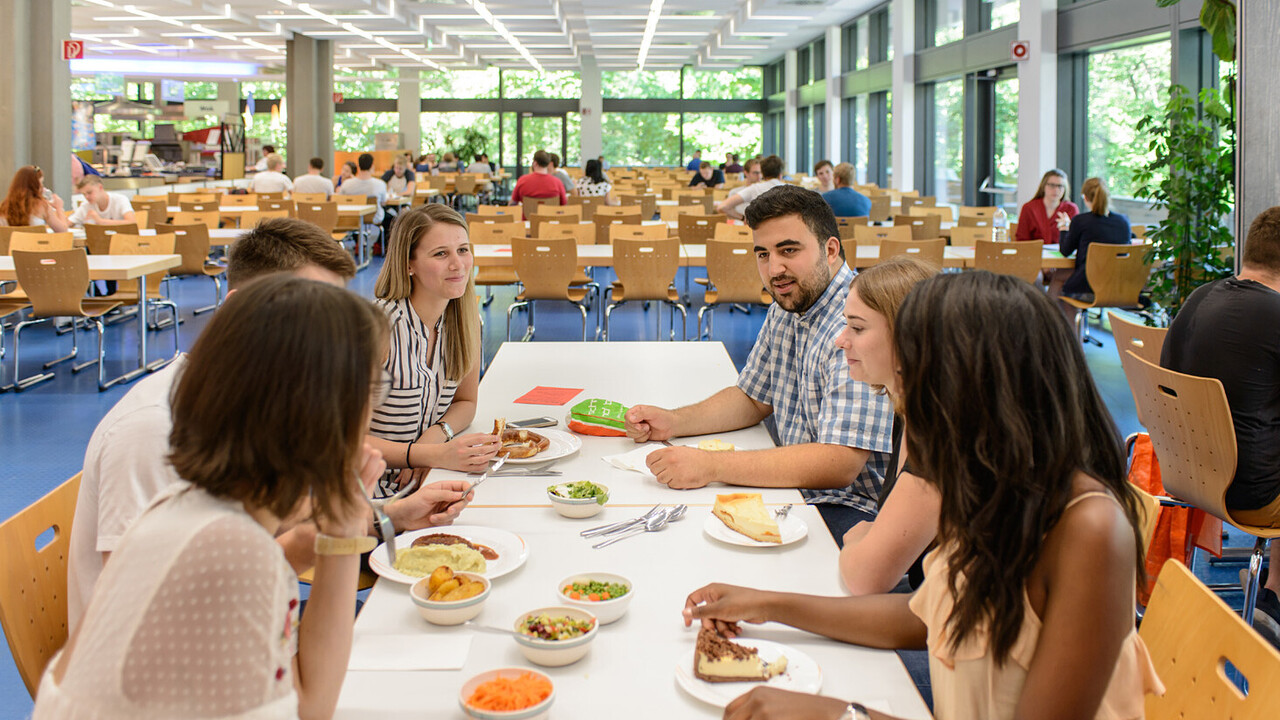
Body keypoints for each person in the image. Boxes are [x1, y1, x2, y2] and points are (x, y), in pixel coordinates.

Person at [686, 271, 1162, 720]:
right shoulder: (987, 479)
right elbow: (926, 614)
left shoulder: (1090, 529)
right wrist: (768, 604)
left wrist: (843, 713)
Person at [67, 217, 475, 632]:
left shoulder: (260, 407)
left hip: (253, 626)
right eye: (304, 316)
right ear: (236, 309)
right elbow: (146, 623)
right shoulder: (154, 432)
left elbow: (281, 531)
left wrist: (393, 517)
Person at [38, 275, 389, 720]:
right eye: (369, 395)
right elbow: (311, 710)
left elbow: (311, 703)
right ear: (318, 418)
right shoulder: (237, 555)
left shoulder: (189, 509)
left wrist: (343, 525)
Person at [626, 185, 893, 541]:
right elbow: (752, 398)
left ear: (830, 250)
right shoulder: (788, 305)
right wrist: (674, 422)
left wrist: (711, 466)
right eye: (763, 254)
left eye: (788, 250)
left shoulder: (857, 321)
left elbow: (840, 461)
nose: (774, 268)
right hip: (797, 492)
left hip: (852, 509)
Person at [1162, 206, 1280, 643]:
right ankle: (1273, 598)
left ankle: (1271, 593)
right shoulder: (1275, 316)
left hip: (1188, 471)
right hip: (1250, 494)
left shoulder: (1199, 298)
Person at [368, 204, 498, 497]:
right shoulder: (376, 329)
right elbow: (342, 444)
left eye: (463, 250)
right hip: (369, 500)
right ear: (408, 264)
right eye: (441, 254)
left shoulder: (465, 321)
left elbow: (465, 402)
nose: (458, 264)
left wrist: (432, 440)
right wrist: (428, 455)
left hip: (426, 485)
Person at [832, 257, 940, 594]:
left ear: (910, 336)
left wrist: (863, 540)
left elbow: (867, 578)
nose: (840, 340)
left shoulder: (939, 431)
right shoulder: (907, 406)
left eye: (858, 328)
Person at [1052, 177, 1132, 316]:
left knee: (1059, 277)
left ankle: (1058, 330)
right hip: (1120, 285)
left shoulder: (1081, 221)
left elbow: (1065, 251)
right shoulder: (1124, 221)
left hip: (1088, 287)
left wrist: (1064, 228)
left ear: (1085, 198)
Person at [1015, 169, 1077, 244]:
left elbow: (1075, 241)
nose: (1056, 190)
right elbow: (1021, 239)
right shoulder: (1028, 208)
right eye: (1052, 185)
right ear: (1043, 186)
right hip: (1034, 253)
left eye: (1060, 186)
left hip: (1062, 254)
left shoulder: (1071, 209)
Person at [715, 154, 784, 221]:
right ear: (746, 173)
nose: (759, 176)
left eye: (760, 173)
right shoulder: (735, 192)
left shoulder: (766, 190)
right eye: (755, 173)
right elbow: (724, 210)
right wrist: (742, 218)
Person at [0, 166, 69, 231]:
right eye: (41, 183)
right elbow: (63, 230)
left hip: (10, 244)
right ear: (35, 186)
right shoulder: (42, 206)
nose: (42, 187)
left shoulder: (3, 206)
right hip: (35, 243)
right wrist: (59, 208)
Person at [339, 153, 388, 227]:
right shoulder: (380, 184)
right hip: (374, 217)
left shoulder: (346, 184)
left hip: (352, 217)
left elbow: (340, 200)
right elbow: (383, 202)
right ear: (372, 166)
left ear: (358, 166)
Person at [68, 175, 136, 228]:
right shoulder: (86, 205)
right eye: (84, 194)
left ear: (100, 187)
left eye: (89, 192)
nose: (86, 197)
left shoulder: (120, 200)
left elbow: (132, 222)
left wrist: (100, 221)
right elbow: (68, 223)